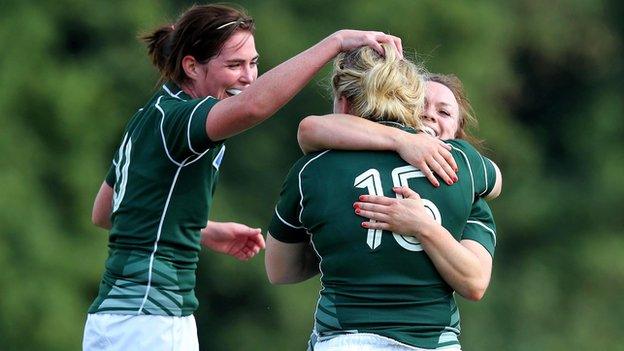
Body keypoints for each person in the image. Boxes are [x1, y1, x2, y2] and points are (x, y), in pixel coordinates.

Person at [83, 3, 412, 350]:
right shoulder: (181, 119)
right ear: (191, 66)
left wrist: (201, 230)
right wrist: (336, 42)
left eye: (253, 63)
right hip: (152, 320)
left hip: (111, 320)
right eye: (234, 65)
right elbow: (254, 106)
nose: (248, 77)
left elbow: (106, 212)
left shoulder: (149, 115)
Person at [265, 45, 501, 350]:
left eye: (443, 111)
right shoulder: (465, 166)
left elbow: (280, 269)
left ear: (344, 102)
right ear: (411, 104)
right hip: (432, 343)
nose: (430, 117)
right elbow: (496, 180)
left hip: (346, 340)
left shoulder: (311, 170)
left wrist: (339, 242)